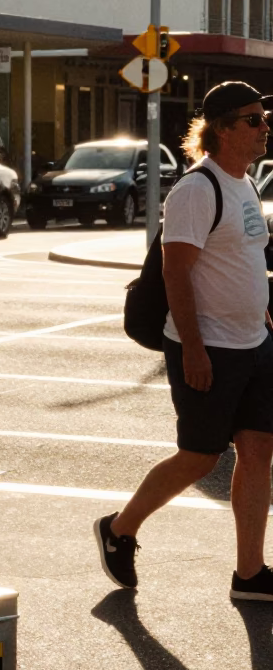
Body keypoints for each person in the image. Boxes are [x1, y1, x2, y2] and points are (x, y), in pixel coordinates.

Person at [95, 80, 273, 600]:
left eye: (263, 118)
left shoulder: (245, 184)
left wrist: (261, 309)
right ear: (221, 128)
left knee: (259, 448)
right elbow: (177, 274)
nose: (264, 128)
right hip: (209, 347)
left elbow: (245, 258)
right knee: (200, 456)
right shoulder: (198, 190)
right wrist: (193, 348)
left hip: (254, 342)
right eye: (253, 120)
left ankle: (250, 574)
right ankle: (119, 529)